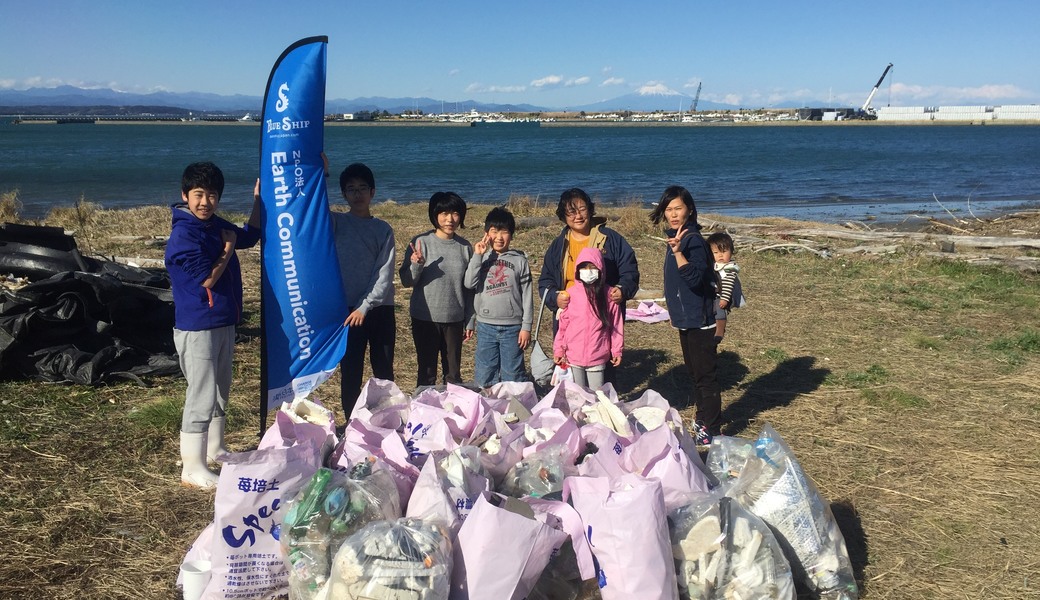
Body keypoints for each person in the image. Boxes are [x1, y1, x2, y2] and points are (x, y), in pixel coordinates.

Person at [165, 162, 260, 487]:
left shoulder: (212, 224)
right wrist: (227, 248)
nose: (205, 202)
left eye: (212, 195)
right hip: (197, 327)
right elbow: (207, 278)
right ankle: (191, 466)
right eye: (198, 195)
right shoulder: (183, 235)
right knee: (202, 394)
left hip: (222, 321)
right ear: (185, 196)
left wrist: (258, 201)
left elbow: (248, 236)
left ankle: (215, 450)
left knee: (221, 389)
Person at [537, 188, 638, 384]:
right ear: (563, 216)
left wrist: (622, 289)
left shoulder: (611, 239)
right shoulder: (559, 245)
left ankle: (604, 406)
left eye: (582, 209)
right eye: (571, 211)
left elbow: (630, 270)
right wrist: (554, 298)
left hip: (601, 314)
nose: (578, 216)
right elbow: (545, 281)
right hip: (571, 313)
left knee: (603, 373)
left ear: (590, 210)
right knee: (571, 374)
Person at [649, 185, 721, 446]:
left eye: (678, 208)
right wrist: (675, 313)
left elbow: (693, 279)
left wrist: (679, 252)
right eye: (668, 209)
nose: (673, 214)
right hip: (686, 319)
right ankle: (704, 420)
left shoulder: (693, 242)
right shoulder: (677, 238)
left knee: (705, 377)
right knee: (694, 373)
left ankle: (710, 428)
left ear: (689, 209)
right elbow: (674, 285)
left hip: (701, 321)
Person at [331, 163, 396, 422]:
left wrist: (365, 306)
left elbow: (384, 273)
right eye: (351, 189)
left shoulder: (383, 229)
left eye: (362, 189)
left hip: (378, 309)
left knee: (383, 371)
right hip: (347, 311)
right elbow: (310, 208)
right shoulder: (335, 222)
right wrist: (320, 172)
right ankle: (352, 423)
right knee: (351, 372)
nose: (357, 194)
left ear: (372, 192)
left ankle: (387, 420)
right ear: (344, 195)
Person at [399, 192, 474, 387]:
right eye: (443, 213)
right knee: (426, 373)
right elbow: (407, 281)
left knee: (453, 374)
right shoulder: (421, 242)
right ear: (434, 214)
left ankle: (454, 414)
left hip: (454, 319)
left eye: (455, 213)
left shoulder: (465, 247)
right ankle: (424, 413)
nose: (450, 219)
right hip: (425, 318)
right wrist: (416, 265)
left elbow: (470, 287)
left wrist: (470, 319)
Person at [464, 207, 533, 388]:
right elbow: (470, 285)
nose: (499, 237)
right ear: (486, 234)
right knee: (485, 371)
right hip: (486, 325)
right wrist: (477, 255)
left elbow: (527, 295)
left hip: (513, 328)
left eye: (505, 232)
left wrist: (526, 327)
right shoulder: (481, 258)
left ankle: (514, 409)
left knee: (513, 373)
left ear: (512, 235)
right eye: (494, 232)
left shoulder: (520, 261)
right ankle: (487, 408)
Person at [552, 247, 624, 389]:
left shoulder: (609, 295)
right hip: (573, 355)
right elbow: (563, 326)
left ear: (601, 270)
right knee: (577, 393)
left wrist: (617, 350)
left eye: (593, 267)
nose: (588, 271)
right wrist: (559, 349)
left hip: (597, 355)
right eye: (584, 267)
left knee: (597, 394)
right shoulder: (570, 294)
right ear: (578, 270)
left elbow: (616, 326)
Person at [706, 231, 743, 344]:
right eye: (716, 252)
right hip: (712, 293)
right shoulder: (712, 264)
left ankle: (720, 330)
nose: (720, 255)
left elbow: (728, 283)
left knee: (719, 310)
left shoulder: (730, 267)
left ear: (731, 252)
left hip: (723, 295)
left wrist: (725, 298)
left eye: (724, 251)